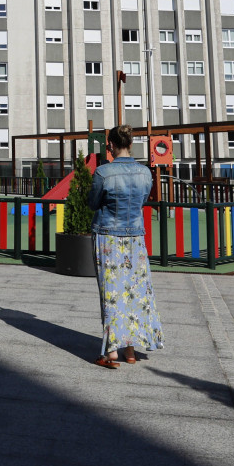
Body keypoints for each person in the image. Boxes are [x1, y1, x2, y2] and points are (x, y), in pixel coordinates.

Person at [86, 124, 164, 369]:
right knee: (135, 291)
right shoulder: (144, 173)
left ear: (110, 145)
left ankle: (111, 353)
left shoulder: (102, 173)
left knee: (111, 293)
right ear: (131, 144)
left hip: (108, 237)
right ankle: (130, 349)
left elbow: (92, 203)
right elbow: (142, 200)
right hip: (135, 238)